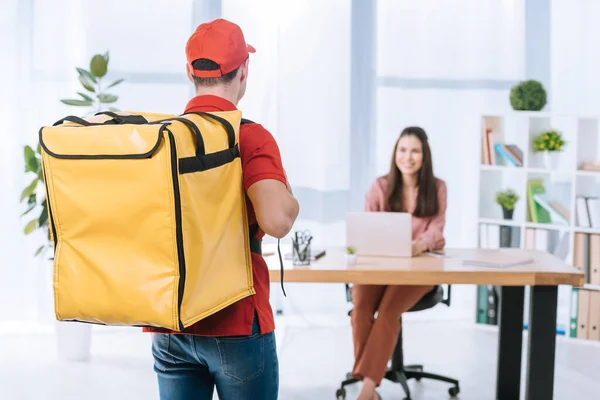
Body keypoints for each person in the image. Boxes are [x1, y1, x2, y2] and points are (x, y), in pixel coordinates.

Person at [144, 18, 299, 400]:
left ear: (190, 71)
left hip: (171, 322)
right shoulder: (249, 136)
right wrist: (289, 196)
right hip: (237, 322)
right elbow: (277, 221)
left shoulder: (162, 138)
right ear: (244, 70)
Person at [351, 126, 447, 400]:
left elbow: (436, 229)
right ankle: (369, 386)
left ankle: (367, 390)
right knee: (360, 307)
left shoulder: (437, 188)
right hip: (379, 266)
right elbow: (367, 226)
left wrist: (419, 244)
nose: (408, 156)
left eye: (415, 150)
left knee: (388, 312)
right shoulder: (380, 186)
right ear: (395, 153)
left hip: (418, 271)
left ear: (424, 155)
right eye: (402, 150)